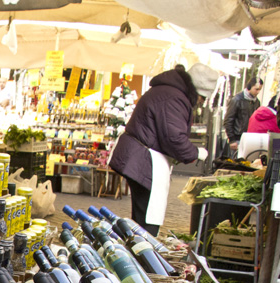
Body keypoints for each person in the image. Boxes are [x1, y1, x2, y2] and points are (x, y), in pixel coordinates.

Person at [109, 63, 219, 237]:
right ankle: (141, 253)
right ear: (198, 92)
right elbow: (174, 138)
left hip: (138, 156)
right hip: (143, 159)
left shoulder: (169, 92)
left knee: (142, 214)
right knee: (147, 218)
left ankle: (137, 248)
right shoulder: (174, 98)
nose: (200, 103)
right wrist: (196, 153)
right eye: (202, 99)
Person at [224, 77, 262, 152]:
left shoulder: (257, 102)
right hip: (237, 138)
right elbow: (228, 120)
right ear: (249, 87)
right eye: (256, 89)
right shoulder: (237, 100)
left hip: (250, 138)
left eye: (259, 89)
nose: (258, 92)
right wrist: (232, 139)